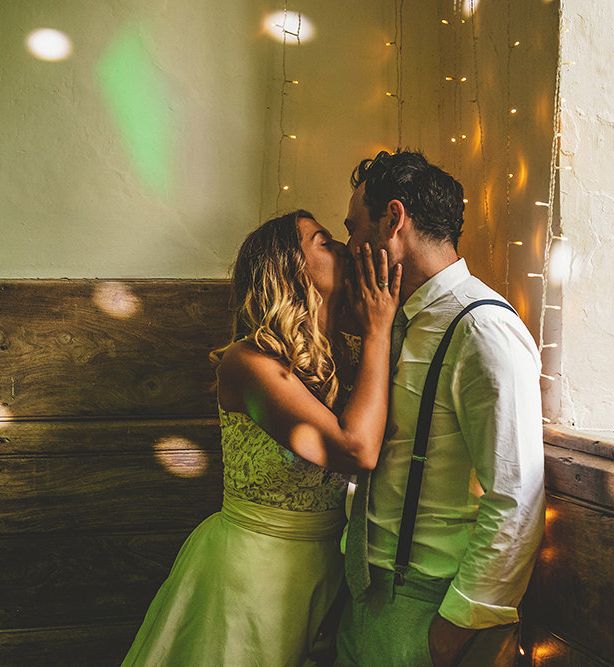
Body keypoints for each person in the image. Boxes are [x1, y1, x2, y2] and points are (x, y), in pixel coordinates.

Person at [122, 209, 402, 666]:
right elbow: (357, 450)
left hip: (331, 566)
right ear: (288, 268)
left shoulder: (351, 353)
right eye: (321, 240)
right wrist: (379, 332)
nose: (340, 248)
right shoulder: (248, 362)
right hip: (252, 570)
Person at [336, 152, 545, 667]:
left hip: (428, 605)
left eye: (353, 227)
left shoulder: (482, 330)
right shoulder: (390, 318)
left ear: (394, 219)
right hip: (363, 591)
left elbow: (516, 493)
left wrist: (456, 625)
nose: (349, 246)